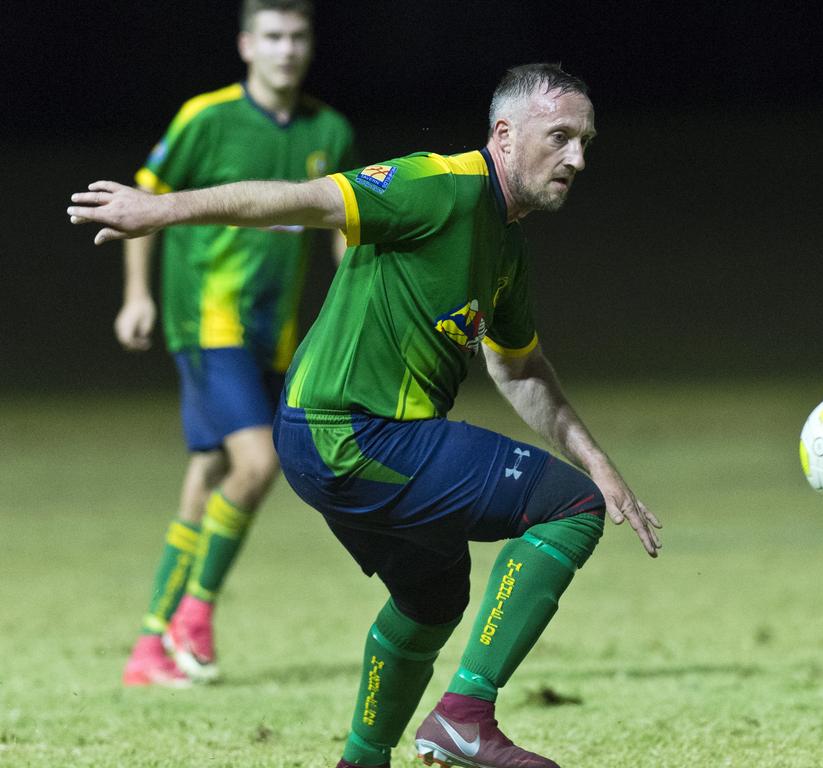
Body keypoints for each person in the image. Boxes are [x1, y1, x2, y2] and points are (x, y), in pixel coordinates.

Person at [70, 63, 661, 768]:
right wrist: (159, 211)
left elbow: (519, 366)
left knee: (433, 598)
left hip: (333, 442)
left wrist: (600, 462)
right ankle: (465, 717)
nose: (577, 158)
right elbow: (299, 199)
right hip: (353, 431)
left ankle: (362, 759)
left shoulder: (505, 245)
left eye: (585, 141)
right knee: (567, 509)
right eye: (560, 136)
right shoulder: (434, 185)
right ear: (504, 134)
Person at [114, 0, 357, 687]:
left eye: (298, 36)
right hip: (206, 322)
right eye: (273, 37)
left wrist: (359, 295)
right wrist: (138, 296)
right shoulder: (207, 117)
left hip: (270, 331)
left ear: (310, 44)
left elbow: (342, 223)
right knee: (257, 462)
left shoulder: (329, 129)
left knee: (210, 477)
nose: (287, 50)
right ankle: (197, 612)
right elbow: (145, 197)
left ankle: (150, 647)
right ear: (247, 45)